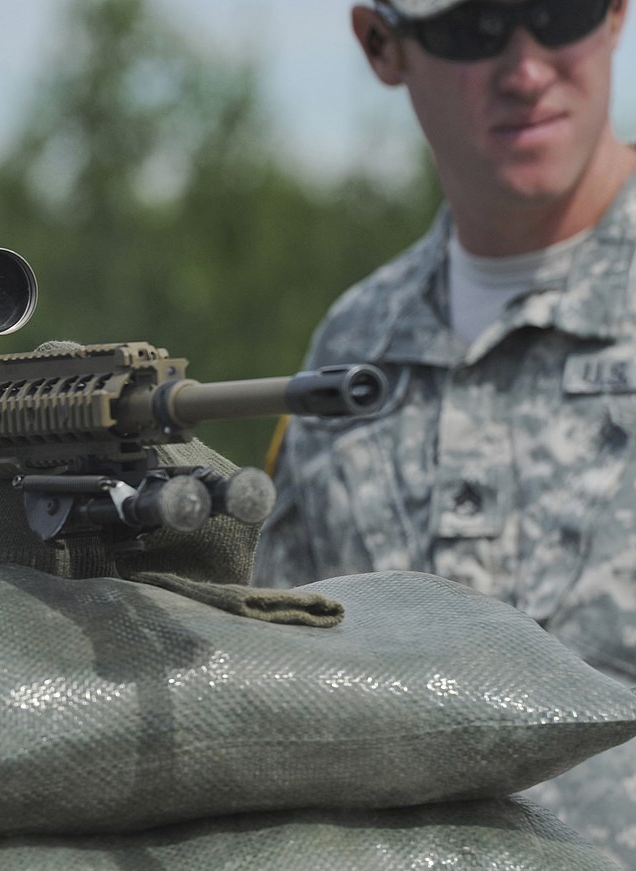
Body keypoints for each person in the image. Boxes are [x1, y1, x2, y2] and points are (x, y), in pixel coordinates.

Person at [253, 0, 636, 862]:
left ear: (615, 15)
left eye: (559, 14)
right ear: (382, 46)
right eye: (473, 30)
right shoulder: (354, 346)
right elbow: (283, 680)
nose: (527, 69)